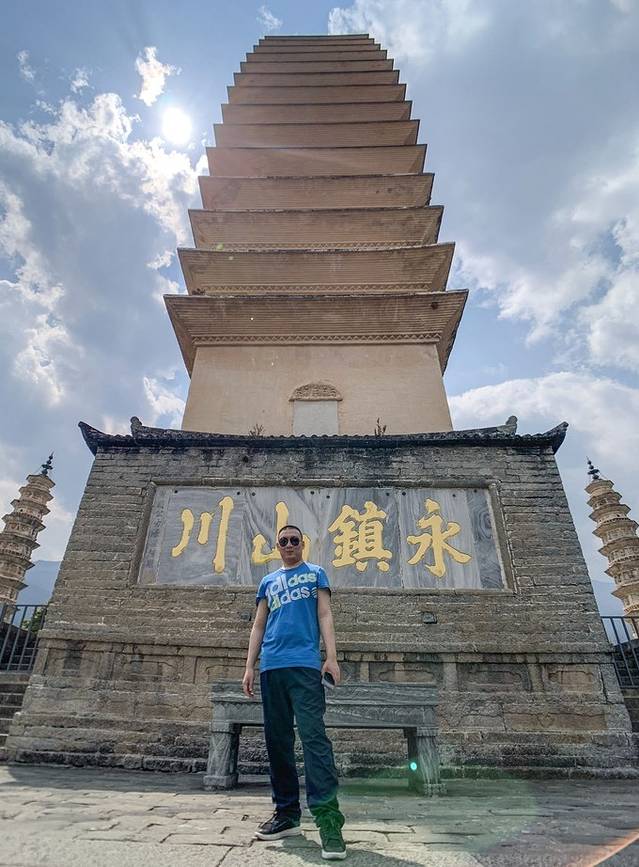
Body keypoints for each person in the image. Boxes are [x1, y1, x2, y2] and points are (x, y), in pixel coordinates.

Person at [242, 523, 347, 861]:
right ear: (277, 547)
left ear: (303, 544)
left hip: (304, 666)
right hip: (272, 667)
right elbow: (259, 625)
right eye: (283, 541)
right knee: (277, 741)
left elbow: (325, 614)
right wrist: (249, 666)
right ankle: (287, 814)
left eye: (294, 540)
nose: (289, 544)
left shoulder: (315, 574)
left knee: (314, 739)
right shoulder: (268, 582)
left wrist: (331, 657)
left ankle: (328, 822)